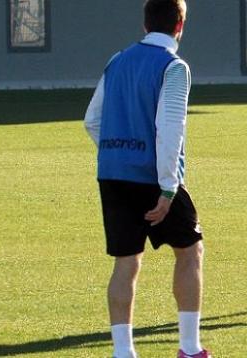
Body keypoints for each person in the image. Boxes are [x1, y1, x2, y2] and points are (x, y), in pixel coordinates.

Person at [84, 0, 209, 357]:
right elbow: (170, 129)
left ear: (145, 23)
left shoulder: (117, 60)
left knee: (127, 260)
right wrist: (169, 187)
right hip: (153, 177)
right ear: (180, 25)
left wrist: (117, 151)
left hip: (112, 172)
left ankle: (123, 352)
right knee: (190, 251)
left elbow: (92, 120)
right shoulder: (173, 66)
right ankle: (189, 347)